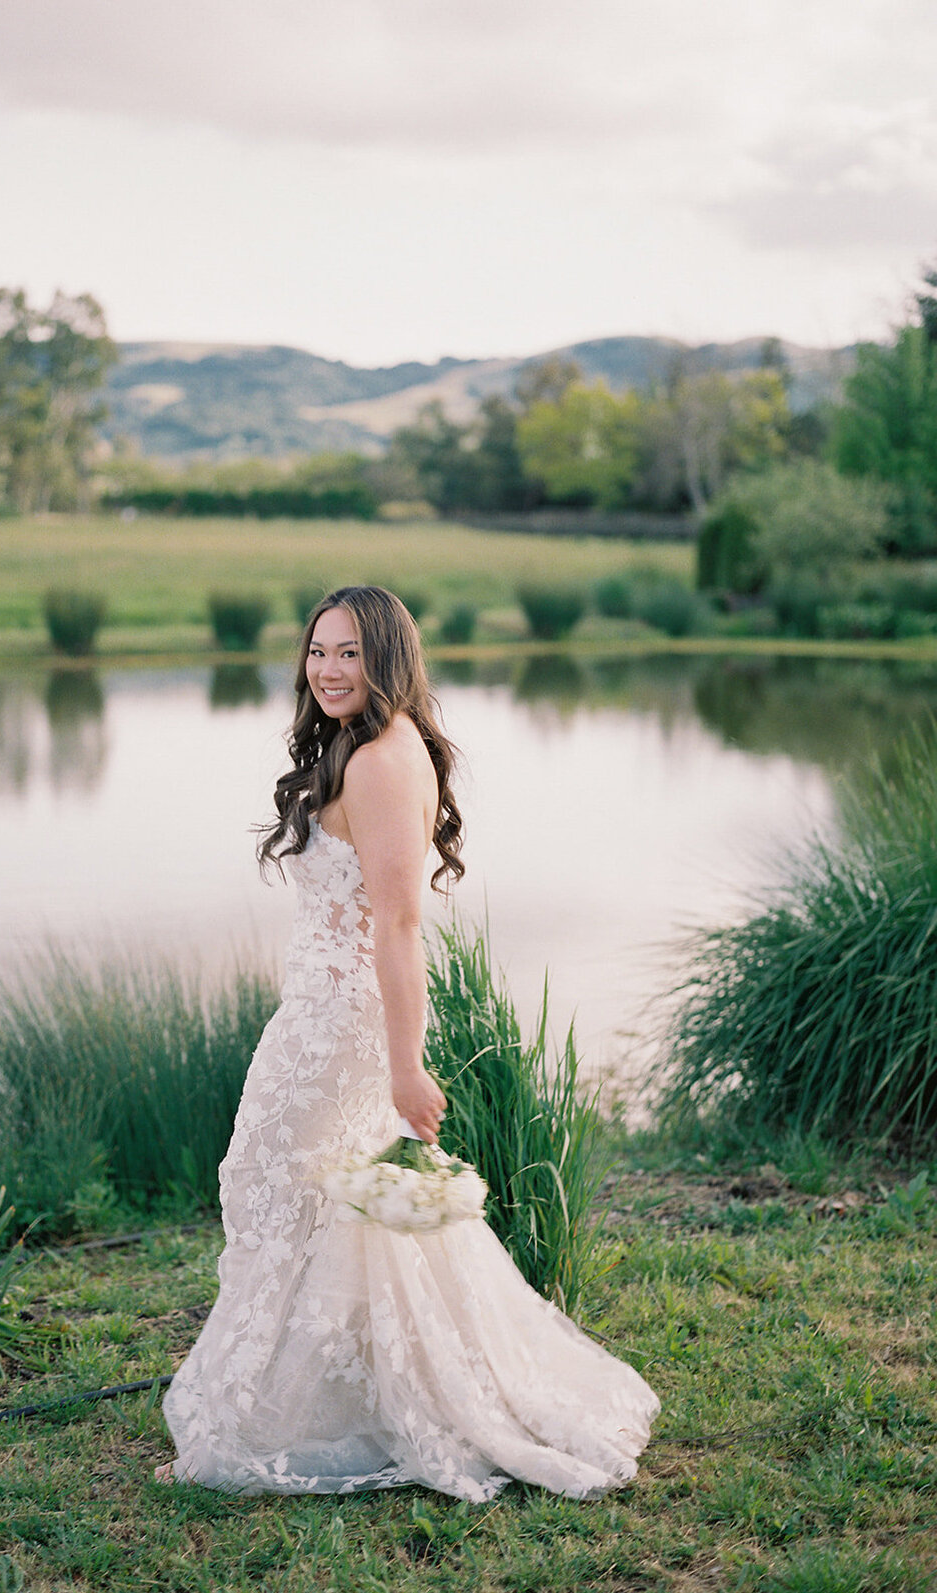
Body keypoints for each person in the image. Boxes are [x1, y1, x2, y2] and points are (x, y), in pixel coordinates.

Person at [159, 585, 658, 1499]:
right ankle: (338, 1396)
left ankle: (290, 1407)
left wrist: (403, 1066)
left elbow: (398, 925)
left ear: (386, 657)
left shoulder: (385, 763)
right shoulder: (371, 748)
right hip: (317, 1014)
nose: (328, 669)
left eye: (349, 652)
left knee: (275, 1180)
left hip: (340, 1029)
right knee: (339, 1207)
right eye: (317, 651)